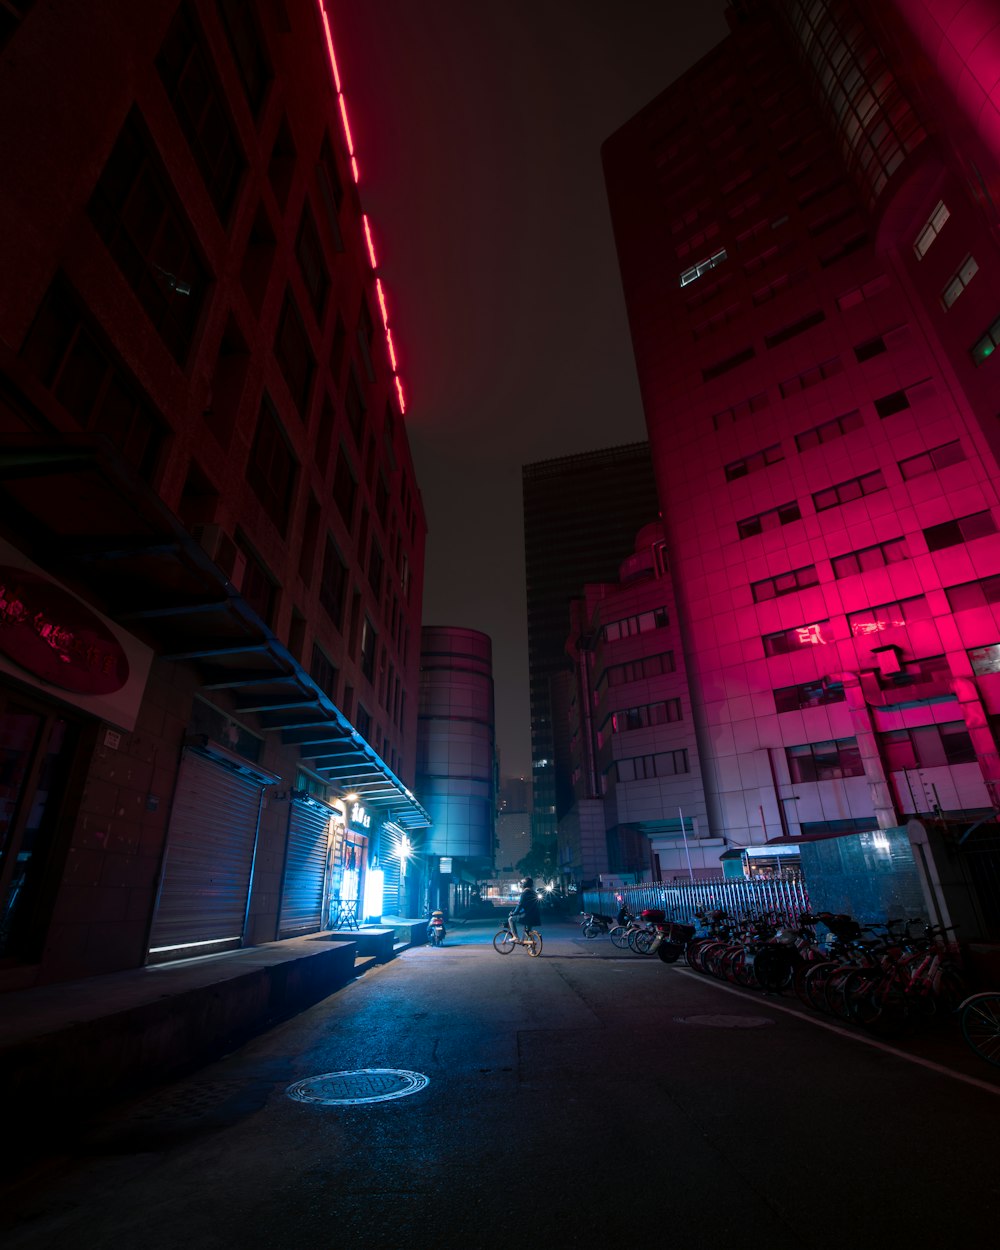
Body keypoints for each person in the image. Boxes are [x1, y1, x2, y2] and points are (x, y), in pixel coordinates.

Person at [509, 877, 540, 943]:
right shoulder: (534, 893)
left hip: (527, 916)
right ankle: (532, 950)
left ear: (525, 884)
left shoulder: (524, 893)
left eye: (522, 883)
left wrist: (514, 913)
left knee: (511, 919)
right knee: (528, 932)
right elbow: (530, 906)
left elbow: (520, 905)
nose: (521, 885)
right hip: (535, 916)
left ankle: (515, 937)